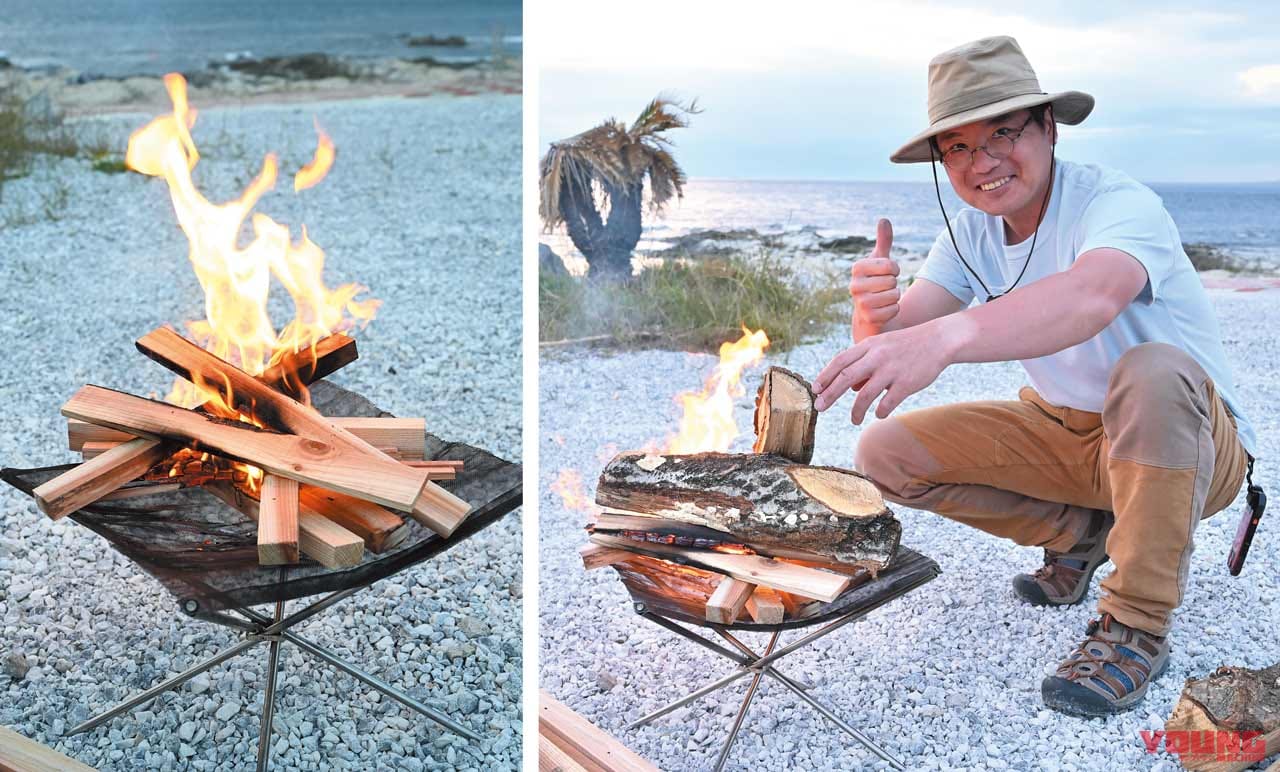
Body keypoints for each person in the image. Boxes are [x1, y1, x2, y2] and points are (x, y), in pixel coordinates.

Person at [811, 35, 1256, 717]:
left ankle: (1135, 624)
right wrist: (871, 311)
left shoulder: (1117, 202)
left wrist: (949, 338)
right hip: (1070, 436)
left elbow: (1091, 296)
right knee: (883, 453)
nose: (982, 161)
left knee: (1154, 369)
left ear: (1049, 127)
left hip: (1190, 445)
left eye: (1003, 133)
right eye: (957, 147)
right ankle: (1081, 536)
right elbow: (894, 346)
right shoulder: (969, 233)